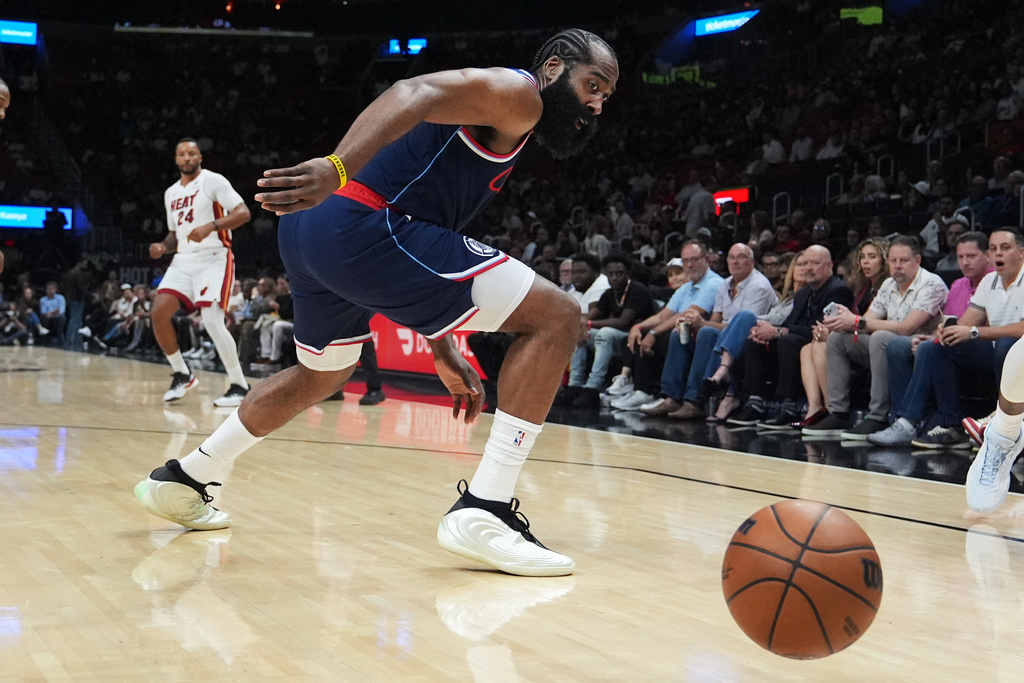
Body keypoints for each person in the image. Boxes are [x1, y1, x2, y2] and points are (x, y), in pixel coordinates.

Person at [135, 29, 620, 577]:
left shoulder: (514, 123)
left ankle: (189, 477)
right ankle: (486, 511)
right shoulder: (520, 93)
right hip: (359, 220)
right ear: (554, 67)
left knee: (320, 375)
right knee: (558, 316)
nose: (597, 104)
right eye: (593, 85)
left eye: (606, 96)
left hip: (313, 234)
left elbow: (432, 230)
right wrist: (336, 166)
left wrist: (440, 344)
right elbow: (416, 92)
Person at [871, 230, 1021, 449]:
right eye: (994, 248)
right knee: (935, 348)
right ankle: (943, 425)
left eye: (1005, 248)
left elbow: (994, 330)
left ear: (1021, 253)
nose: (998, 253)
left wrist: (973, 332)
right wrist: (942, 333)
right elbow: (967, 322)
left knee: (1008, 345)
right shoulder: (990, 281)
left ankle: (1008, 424)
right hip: (994, 353)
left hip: (1017, 353)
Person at [147, 139, 252, 406]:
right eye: (182, 154)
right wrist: (163, 246)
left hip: (214, 257)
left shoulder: (213, 181)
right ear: (176, 159)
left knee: (212, 320)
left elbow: (243, 213)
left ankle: (239, 385)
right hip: (183, 259)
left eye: (192, 153)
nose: (187, 158)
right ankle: (182, 372)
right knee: (158, 312)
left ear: (200, 157)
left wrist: (211, 226)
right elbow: (175, 235)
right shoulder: (171, 192)